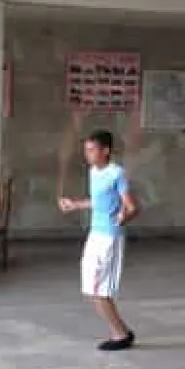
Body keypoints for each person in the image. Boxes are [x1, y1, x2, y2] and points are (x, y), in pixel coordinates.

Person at [58, 129, 139, 351]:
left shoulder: (117, 174)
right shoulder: (93, 171)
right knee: (90, 286)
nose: (88, 154)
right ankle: (122, 331)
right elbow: (99, 202)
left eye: (92, 150)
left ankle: (120, 335)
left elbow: (132, 206)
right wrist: (75, 204)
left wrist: (124, 217)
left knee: (99, 289)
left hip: (109, 237)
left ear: (106, 151)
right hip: (95, 235)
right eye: (86, 150)